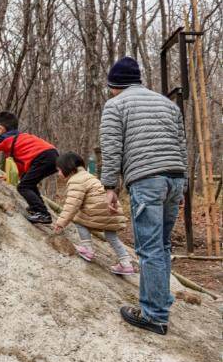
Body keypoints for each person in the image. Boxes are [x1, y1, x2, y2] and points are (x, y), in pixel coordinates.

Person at [100, 56, 187, 335]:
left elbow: (112, 148)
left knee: (149, 249)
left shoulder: (115, 105)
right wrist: (182, 185)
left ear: (115, 84)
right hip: (175, 177)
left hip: (147, 180)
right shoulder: (167, 104)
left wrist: (109, 187)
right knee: (161, 247)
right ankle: (160, 303)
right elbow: (181, 145)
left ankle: (153, 315)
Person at [0, 111, 58, 224]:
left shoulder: (7, 139)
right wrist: (11, 175)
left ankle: (43, 213)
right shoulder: (20, 138)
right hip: (51, 155)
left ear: (1, 129)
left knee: (23, 186)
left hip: (44, 157)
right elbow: (23, 161)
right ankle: (36, 207)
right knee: (28, 182)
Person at [52, 151, 134, 275]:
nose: (58, 173)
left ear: (67, 167)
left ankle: (87, 249)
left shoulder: (77, 180)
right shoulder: (88, 176)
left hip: (99, 211)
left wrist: (60, 223)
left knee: (78, 220)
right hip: (111, 210)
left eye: (58, 170)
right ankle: (126, 263)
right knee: (111, 236)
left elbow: (72, 205)